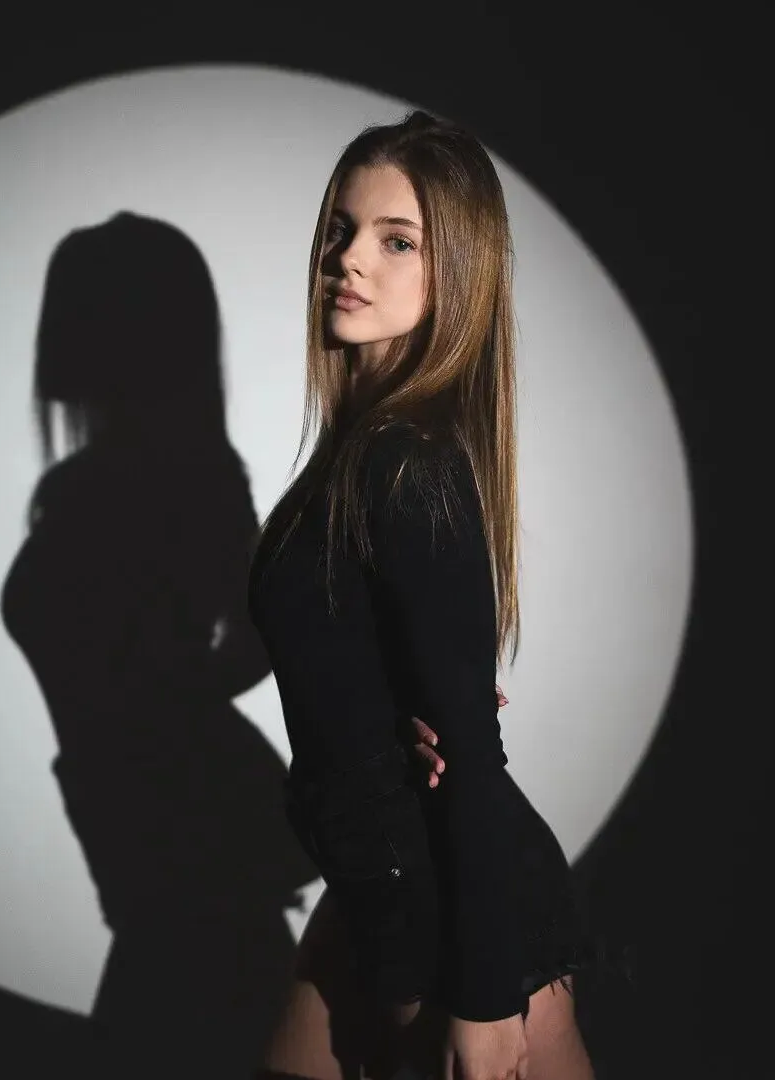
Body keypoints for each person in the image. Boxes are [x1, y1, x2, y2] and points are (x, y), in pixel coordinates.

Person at [248, 111, 596, 1079]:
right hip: (370, 874)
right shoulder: (355, 452)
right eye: (341, 230)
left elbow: (471, 755)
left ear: (457, 275)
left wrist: (482, 996)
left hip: (441, 902)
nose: (349, 260)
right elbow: (319, 635)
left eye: (397, 241)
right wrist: (391, 691)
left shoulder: (408, 464)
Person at [0, 212, 319, 1074]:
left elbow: (257, 634)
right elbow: (252, 639)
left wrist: (160, 701)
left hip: (172, 825)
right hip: (161, 821)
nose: (53, 339)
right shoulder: (145, 477)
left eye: (80, 312)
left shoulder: (143, 482)